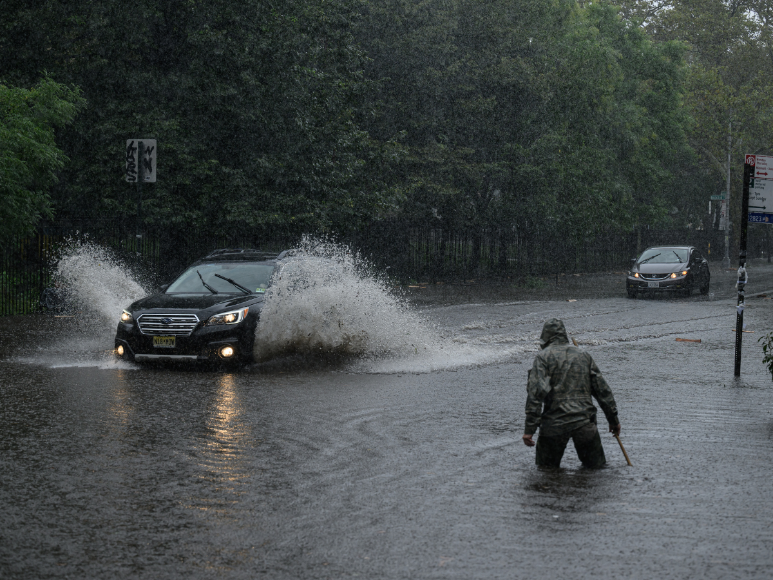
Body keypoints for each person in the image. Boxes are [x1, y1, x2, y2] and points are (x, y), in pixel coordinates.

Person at [522, 318, 621, 468]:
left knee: (545, 474)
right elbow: (603, 391)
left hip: (553, 426)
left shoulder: (543, 358)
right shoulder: (584, 355)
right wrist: (613, 420)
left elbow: (536, 394)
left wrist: (529, 429)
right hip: (585, 424)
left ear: (545, 337)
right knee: (596, 473)